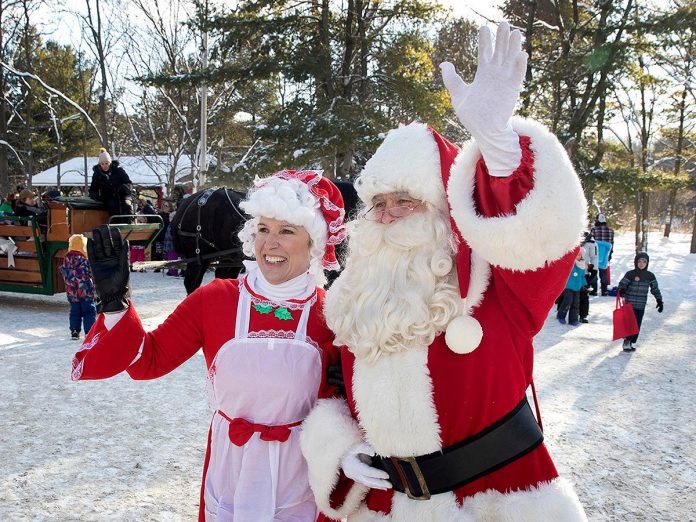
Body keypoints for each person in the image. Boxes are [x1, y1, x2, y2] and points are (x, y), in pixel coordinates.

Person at [300, 23, 587, 520]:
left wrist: (498, 148)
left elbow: (538, 243)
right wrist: (340, 447)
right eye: (378, 204)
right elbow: (331, 386)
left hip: (491, 502)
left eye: (405, 202)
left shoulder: (498, 289)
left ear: (441, 212)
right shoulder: (352, 297)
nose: (386, 217)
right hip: (384, 506)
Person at [71, 169, 346, 520]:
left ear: (315, 243)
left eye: (286, 231)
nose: (270, 243)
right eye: (263, 229)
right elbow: (147, 362)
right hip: (231, 474)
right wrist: (114, 303)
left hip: (304, 481)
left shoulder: (336, 316)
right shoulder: (216, 300)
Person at [617, 252, 663, 352]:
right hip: (629, 304)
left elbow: (655, 289)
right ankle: (626, 342)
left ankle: (631, 341)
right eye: (639, 261)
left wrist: (659, 300)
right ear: (636, 262)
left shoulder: (650, 276)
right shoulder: (630, 274)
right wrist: (622, 290)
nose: (641, 264)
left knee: (637, 325)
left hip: (641, 305)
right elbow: (622, 284)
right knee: (629, 324)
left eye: (644, 262)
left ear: (647, 263)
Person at [58, 234, 97, 340]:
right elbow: (92, 273)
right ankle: (89, 332)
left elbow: (62, 271)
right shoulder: (85, 261)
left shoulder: (65, 261)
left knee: (75, 311)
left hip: (72, 292)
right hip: (86, 292)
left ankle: (74, 331)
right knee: (89, 311)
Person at [88, 148, 133, 222]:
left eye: (106, 163)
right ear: (100, 164)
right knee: (112, 209)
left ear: (110, 163)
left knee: (126, 207)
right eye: (102, 164)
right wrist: (98, 197)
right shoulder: (97, 175)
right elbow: (93, 190)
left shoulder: (119, 171)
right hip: (108, 200)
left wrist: (125, 188)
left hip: (122, 197)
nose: (104, 166)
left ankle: (129, 223)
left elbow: (128, 183)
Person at [557, 250, 587, 326]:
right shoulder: (571, 263)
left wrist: (584, 284)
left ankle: (573, 319)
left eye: (580, 255)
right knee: (567, 301)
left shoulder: (582, 265)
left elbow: (582, 276)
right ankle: (561, 316)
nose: (578, 256)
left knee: (576, 303)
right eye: (577, 255)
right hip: (568, 286)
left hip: (577, 287)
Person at [591, 213, 614, 295]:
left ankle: (594, 290)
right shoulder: (611, 231)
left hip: (595, 254)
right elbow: (612, 244)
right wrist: (610, 255)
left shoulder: (594, 230)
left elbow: (591, 243)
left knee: (594, 272)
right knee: (603, 272)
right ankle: (604, 290)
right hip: (605, 255)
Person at [579, 232, 598, 323]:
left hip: (584, 272)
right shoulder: (571, 236)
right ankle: (563, 311)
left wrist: (594, 269)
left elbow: (594, 257)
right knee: (569, 293)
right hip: (570, 272)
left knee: (584, 294)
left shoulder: (591, 242)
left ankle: (583, 315)